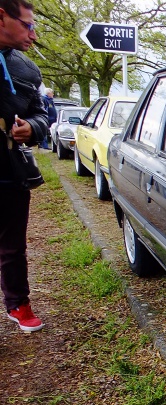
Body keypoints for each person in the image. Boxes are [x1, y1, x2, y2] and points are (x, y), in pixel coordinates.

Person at [0, 0, 48, 332]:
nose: (33, 34)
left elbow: (45, 113)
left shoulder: (28, 70)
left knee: (13, 246)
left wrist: (33, 127)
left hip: (10, 172)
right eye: (28, 25)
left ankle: (17, 303)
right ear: (2, 16)